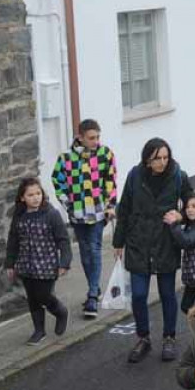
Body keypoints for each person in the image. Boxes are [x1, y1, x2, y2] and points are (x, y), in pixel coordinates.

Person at [114, 137, 193, 363]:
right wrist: (118, 242)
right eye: (157, 158)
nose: (162, 162)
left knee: (167, 293)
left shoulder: (178, 176)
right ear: (147, 159)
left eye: (165, 157)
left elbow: (194, 204)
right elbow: (125, 208)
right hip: (138, 240)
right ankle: (143, 338)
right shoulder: (135, 176)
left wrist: (182, 215)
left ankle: (169, 337)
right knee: (139, 294)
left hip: (165, 241)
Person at [51, 119, 117, 319]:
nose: (96, 141)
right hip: (77, 214)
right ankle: (94, 288)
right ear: (80, 137)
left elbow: (111, 181)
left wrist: (110, 205)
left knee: (95, 249)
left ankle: (92, 296)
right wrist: (68, 205)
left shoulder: (105, 154)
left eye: (97, 137)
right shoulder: (66, 158)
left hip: (98, 213)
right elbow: (57, 181)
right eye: (91, 138)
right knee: (86, 252)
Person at [5, 178, 72, 345]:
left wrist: (64, 262)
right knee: (33, 299)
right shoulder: (19, 216)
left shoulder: (51, 214)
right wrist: (10, 263)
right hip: (26, 265)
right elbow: (13, 240)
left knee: (43, 295)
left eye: (38, 193)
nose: (35, 198)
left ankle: (60, 312)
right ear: (22, 197)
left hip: (47, 265)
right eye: (30, 195)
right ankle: (39, 331)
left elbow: (63, 240)